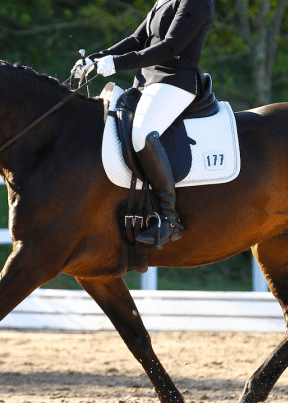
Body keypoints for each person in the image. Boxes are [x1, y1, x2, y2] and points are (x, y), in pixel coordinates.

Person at [73, 0, 215, 248]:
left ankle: (170, 219)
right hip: (147, 82)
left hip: (175, 81)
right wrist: (96, 59)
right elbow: (137, 40)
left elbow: (171, 47)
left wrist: (117, 64)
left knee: (142, 134)